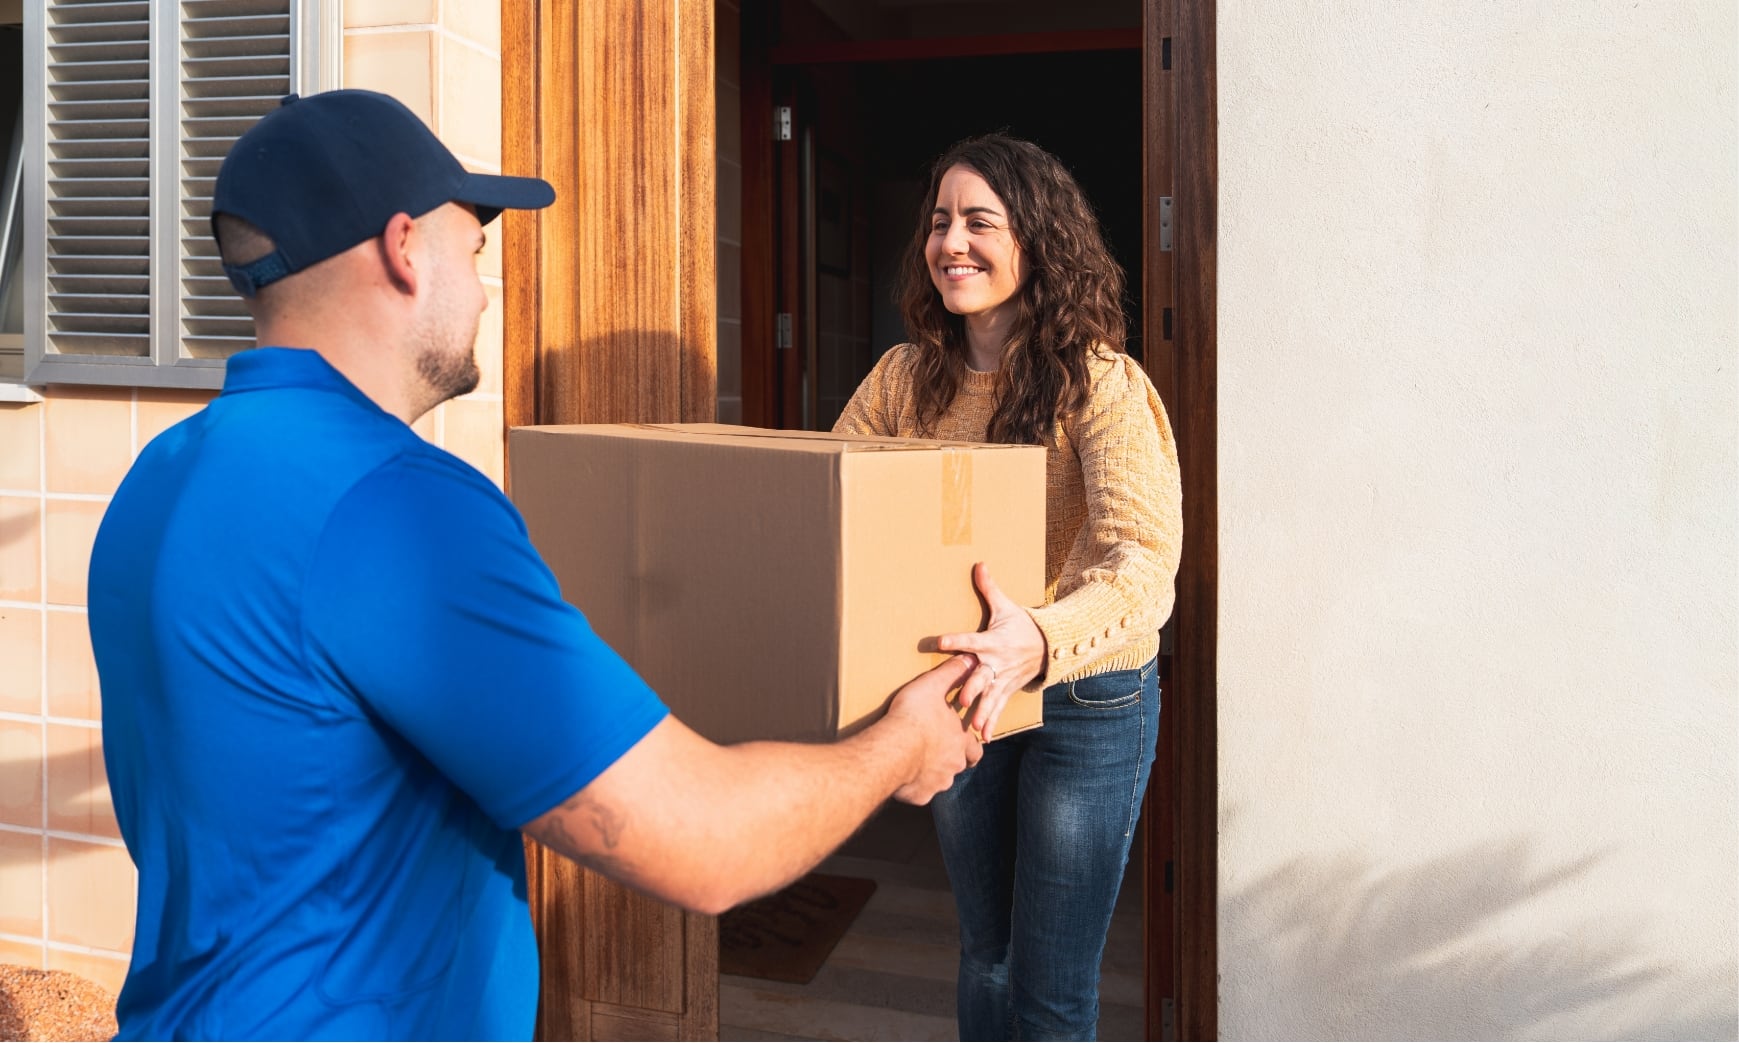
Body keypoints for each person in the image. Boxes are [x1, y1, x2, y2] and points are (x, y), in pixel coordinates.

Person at [86, 89, 983, 1042]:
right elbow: (703, 842)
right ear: (402, 249)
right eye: (474, 251)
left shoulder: (159, 476)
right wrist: (901, 746)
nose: (482, 292)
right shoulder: (399, 502)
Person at [833, 133, 1184, 1040]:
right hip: (965, 692)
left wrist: (1038, 636)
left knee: (1050, 981)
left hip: (1088, 695)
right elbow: (834, 498)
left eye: (978, 221)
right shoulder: (902, 380)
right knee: (985, 950)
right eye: (939, 222)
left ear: (1037, 239)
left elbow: (1143, 562)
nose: (951, 242)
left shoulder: (1102, 385)